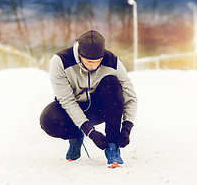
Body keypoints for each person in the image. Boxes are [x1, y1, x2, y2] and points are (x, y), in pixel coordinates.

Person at [40, 30, 137, 168]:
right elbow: (67, 101)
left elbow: (131, 96)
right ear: (79, 54)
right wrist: (90, 132)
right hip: (71, 109)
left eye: (98, 61)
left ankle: (112, 145)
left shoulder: (112, 61)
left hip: (98, 108)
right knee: (48, 119)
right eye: (90, 62)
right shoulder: (60, 61)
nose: (94, 66)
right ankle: (76, 136)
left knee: (112, 83)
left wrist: (127, 127)